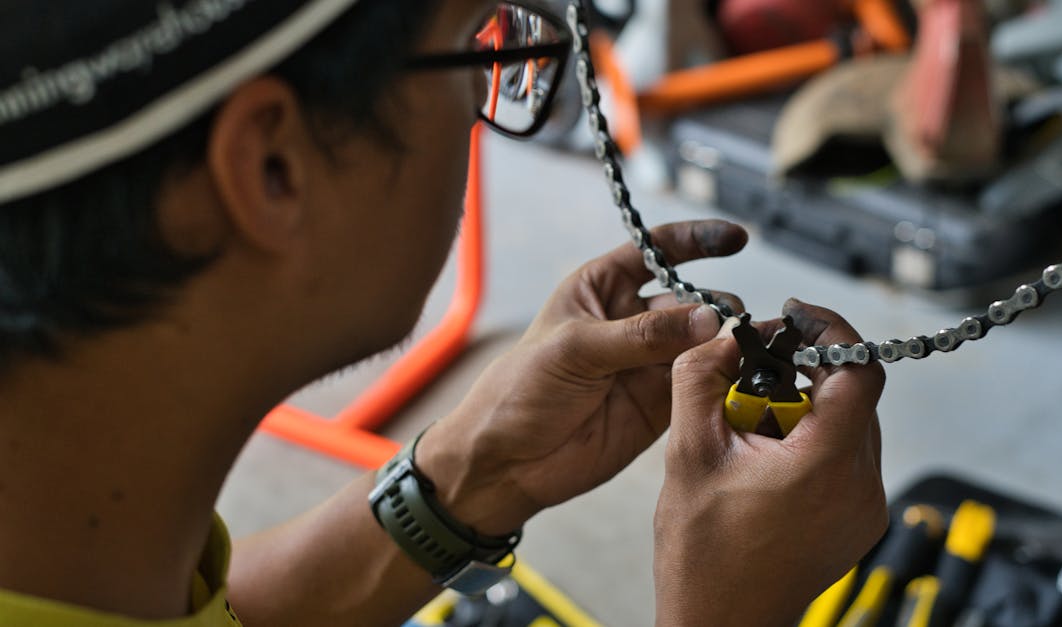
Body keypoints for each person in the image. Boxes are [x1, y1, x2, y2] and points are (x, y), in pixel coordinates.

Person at [0, 0, 888, 625]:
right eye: (477, 45)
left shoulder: (84, 551)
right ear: (273, 167)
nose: (483, 103)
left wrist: (471, 475)